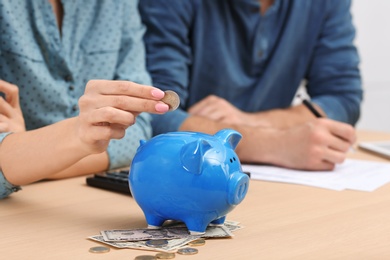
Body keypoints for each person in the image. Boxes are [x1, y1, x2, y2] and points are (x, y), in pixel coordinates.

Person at [139, 0, 363, 171]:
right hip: (188, 176)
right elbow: (152, 112)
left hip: (276, 184)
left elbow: (343, 98)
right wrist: (275, 144)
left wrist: (249, 122)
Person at [0, 0, 170, 199]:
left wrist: (27, 152)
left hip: (76, 197)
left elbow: (138, 129)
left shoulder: (119, 4)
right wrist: (73, 139)